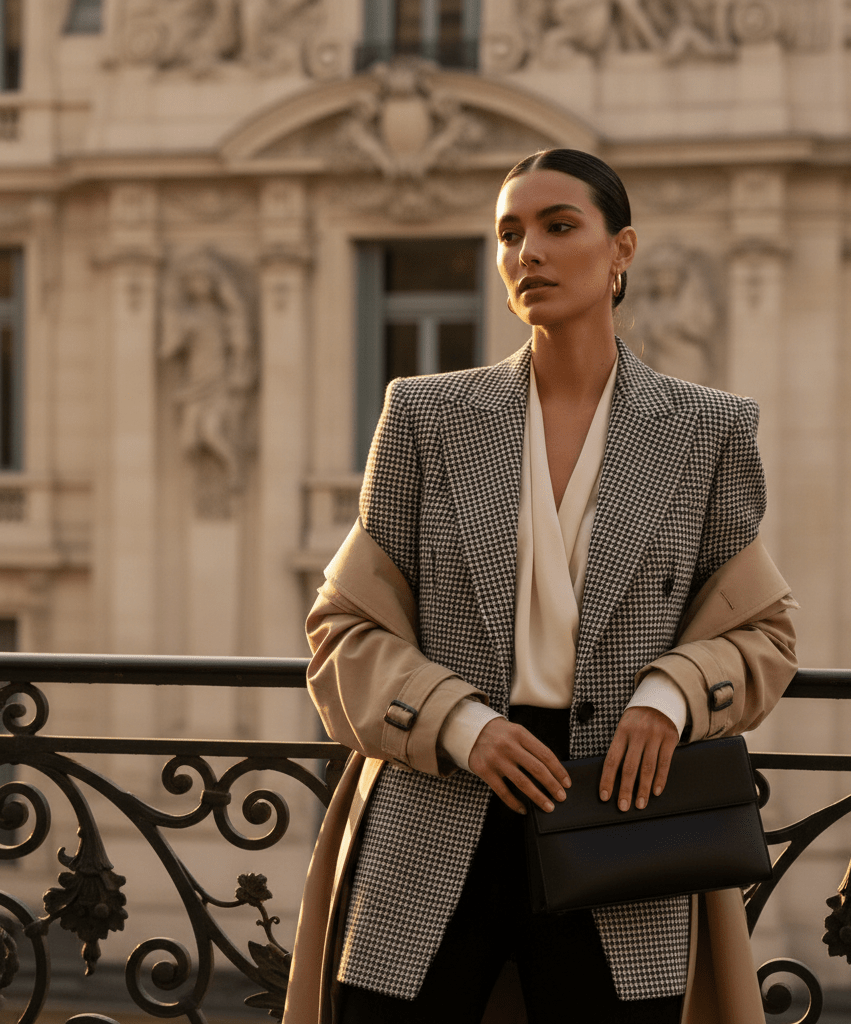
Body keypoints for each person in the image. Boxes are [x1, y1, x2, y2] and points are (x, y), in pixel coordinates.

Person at [282, 149, 798, 1024]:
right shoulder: (425, 416)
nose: (529, 253)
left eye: (560, 227)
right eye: (510, 233)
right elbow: (342, 630)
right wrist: (462, 723)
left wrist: (668, 697)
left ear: (621, 249)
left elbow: (765, 637)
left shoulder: (708, 431)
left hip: (623, 821)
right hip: (434, 813)